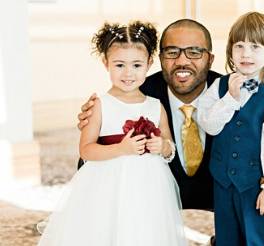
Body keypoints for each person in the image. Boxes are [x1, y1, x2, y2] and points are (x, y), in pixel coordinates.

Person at [78, 18, 264, 245]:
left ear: (210, 58)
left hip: (224, 185)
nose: (182, 61)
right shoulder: (137, 94)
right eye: (172, 52)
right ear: (159, 59)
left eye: (194, 52)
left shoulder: (232, 88)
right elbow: (91, 158)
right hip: (154, 190)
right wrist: (98, 129)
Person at [38, 21, 187, 246]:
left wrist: (162, 146)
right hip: (108, 182)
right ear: (106, 63)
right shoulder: (100, 104)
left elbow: (169, 146)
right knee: (107, 229)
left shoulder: (155, 105)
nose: (128, 73)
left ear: (148, 63)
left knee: (145, 229)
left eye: (136, 65)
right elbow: (86, 149)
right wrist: (121, 149)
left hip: (149, 183)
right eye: (119, 65)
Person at [197, 12, 264, 245]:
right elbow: (209, 125)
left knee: (257, 237)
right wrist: (229, 98)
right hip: (223, 181)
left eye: (255, 46)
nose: (246, 53)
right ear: (230, 51)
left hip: (255, 183)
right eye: (239, 46)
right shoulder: (220, 85)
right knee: (227, 238)